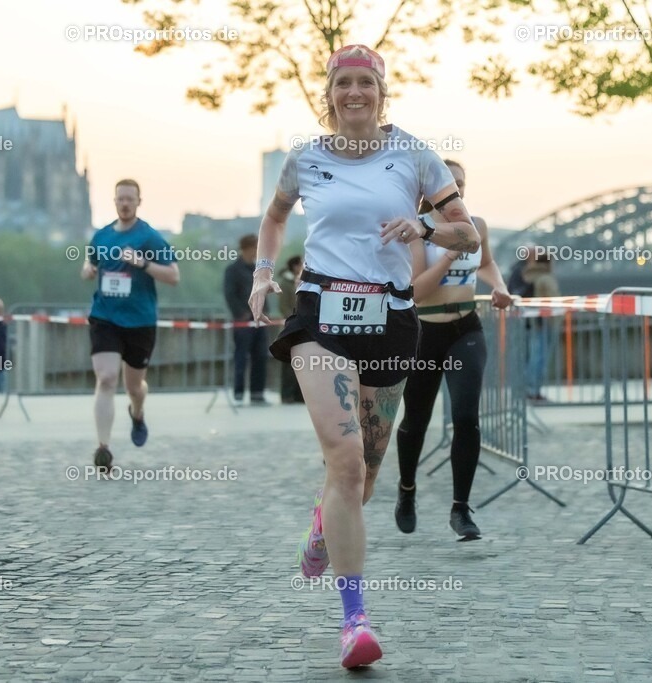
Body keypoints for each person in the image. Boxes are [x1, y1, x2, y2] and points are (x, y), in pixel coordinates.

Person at [248, 44, 494, 669]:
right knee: (348, 462)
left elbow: (468, 232)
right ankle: (354, 621)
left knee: (365, 476)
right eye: (343, 83)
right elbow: (275, 219)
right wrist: (261, 272)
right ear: (328, 93)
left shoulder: (413, 155)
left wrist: (427, 230)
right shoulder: (304, 158)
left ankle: (323, 524)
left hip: (390, 319)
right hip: (320, 315)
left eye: (366, 83)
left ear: (382, 92)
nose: (354, 93)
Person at [394, 160, 512, 542]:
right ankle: (407, 490)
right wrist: (448, 252)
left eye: (460, 185)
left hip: (466, 328)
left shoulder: (476, 227)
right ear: (430, 191)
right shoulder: (415, 230)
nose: (455, 191)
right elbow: (416, 290)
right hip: (424, 331)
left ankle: (461, 509)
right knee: (416, 420)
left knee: (466, 416)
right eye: (448, 185)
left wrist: (499, 286)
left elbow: (488, 263)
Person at [81, 179, 179, 472]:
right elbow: (89, 265)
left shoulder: (149, 238)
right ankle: (104, 448)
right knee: (107, 378)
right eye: (120, 199)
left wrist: (143, 264)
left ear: (138, 202)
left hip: (140, 320)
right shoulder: (101, 236)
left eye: (130, 199)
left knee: (134, 386)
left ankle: (137, 412)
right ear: (114, 201)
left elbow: (174, 276)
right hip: (105, 316)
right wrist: (88, 269)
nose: (124, 203)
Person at [224, 234, 270, 405]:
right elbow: (230, 294)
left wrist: (266, 310)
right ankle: (238, 392)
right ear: (247, 248)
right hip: (243, 321)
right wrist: (240, 313)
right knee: (241, 356)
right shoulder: (233, 270)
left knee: (260, 355)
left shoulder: (258, 269)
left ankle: (257, 393)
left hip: (259, 319)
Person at [523, 253, 560, 401]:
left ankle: (531, 389)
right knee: (540, 358)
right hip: (545, 322)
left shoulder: (531, 276)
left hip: (535, 321)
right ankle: (534, 390)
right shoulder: (545, 278)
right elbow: (553, 299)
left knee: (535, 356)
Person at [277, 255, 304, 404]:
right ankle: (286, 394)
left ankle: (299, 395)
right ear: (294, 266)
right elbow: (283, 306)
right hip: (289, 327)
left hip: (302, 327)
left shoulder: (303, 281)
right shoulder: (285, 284)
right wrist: (293, 319)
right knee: (288, 364)